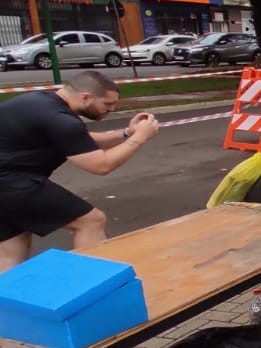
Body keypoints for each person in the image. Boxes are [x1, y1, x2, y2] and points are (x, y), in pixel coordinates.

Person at [0, 72, 160, 273]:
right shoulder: (60, 119)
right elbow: (101, 166)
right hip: (12, 183)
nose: (112, 109)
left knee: (11, 250)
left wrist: (127, 133)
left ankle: (7, 300)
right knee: (91, 221)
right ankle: (88, 285)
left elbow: (81, 138)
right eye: (107, 104)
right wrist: (140, 138)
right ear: (85, 97)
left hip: (8, 182)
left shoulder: (42, 103)